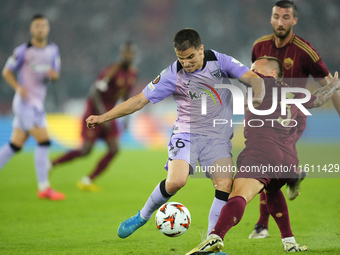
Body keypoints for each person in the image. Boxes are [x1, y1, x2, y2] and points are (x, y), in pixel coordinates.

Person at [86, 28, 265, 238]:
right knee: (176, 181)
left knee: (224, 183)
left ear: (201, 49)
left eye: (190, 57)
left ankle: (211, 242)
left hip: (217, 136)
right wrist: (103, 117)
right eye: (181, 59)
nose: (187, 64)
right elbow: (138, 101)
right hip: (187, 133)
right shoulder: (172, 73)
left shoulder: (219, 60)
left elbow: (253, 78)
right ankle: (142, 216)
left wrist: (256, 97)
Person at [186, 56, 340, 254]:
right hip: (287, 157)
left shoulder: (260, 81)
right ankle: (289, 241)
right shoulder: (293, 90)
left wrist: (201, 64)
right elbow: (318, 98)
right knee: (272, 190)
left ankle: (215, 236)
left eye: (254, 68)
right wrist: (333, 86)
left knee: (239, 194)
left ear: (270, 73)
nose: (250, 71)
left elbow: (234, 72)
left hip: (262, 152)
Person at [249, 0, 340, 239]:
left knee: (265, 164)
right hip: (266, 117)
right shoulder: (259, 46)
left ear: (294, 20)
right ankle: (292, 174)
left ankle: (262, 224)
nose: (280, 22)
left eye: (286, 17)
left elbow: (330, 86)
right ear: (271, 18)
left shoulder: (305, 51)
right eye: (277, 16)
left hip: (292, 118)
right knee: (269, 166)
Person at [51, 42, 137, 191]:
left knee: (114, 149)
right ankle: (51, 164)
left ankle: (87, 180)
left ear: (134, 55)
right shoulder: (111, 71)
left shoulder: (133, 73)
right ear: (121, 54)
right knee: (86, 150)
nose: (128, 56)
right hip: (95, 111)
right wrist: (102, 117)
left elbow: (126, 95)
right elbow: (95, 93)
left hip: (110, 113)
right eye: (125, 53)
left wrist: (126, 118)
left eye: (130, 53)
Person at [0, 14, 64, 200]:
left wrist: (54, 75)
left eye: (43, 26)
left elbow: (56, 73)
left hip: (37, 103)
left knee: (15, 145)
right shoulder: (23, 51)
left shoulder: (53, 49)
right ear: (31, 29)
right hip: (26, 104)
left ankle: (44, 187)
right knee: (44, 141)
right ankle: (44, 187)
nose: (40, 29)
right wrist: (18, 87)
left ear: (48, 28)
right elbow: (6, 71)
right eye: (37, 26)